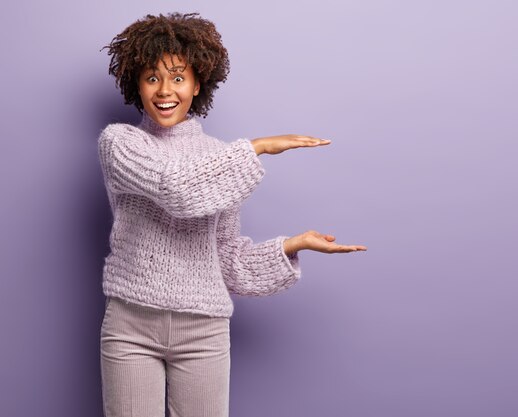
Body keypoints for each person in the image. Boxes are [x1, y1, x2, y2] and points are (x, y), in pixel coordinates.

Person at [98, 12, 366, 417]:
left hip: (204, 332)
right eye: (152, 78)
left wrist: (293, 245)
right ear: (137, 84)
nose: (164, 90)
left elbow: (228, 262)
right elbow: (177, 189)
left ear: (197, 83)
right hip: (130, 327)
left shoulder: (220, 160)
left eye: (177, 77)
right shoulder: (120, 143)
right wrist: (255, 148)